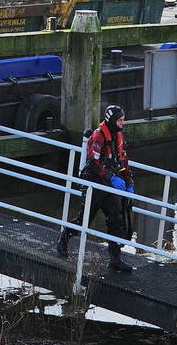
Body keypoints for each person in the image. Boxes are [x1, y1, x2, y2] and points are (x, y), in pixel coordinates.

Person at [55, 105, 134, 273]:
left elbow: (124, 162)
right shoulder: (98, 136)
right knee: (84, 219)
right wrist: (111, 177)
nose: (122, 123)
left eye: (123, 120)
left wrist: (129, 182)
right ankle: (64, 238)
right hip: (94, 183)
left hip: (109, 186)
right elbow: (93, 164)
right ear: (112, 120)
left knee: (116, 220)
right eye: (120, 120)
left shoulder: (118, 137)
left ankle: (115, 259)